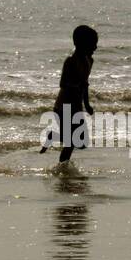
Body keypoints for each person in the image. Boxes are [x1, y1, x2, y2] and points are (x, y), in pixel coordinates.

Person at [40, 25, 98, 164]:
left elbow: (85, 85)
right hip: (64, 106)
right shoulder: (71, 61)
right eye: (93, 44)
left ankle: (54, 136)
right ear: (81, 44)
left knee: (82, 142)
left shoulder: (89, 61)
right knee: (71, 142)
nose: (95, 47)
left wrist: (87, 104)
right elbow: (63, 84)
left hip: (77, 106)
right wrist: (78, 85)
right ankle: (62, 167)